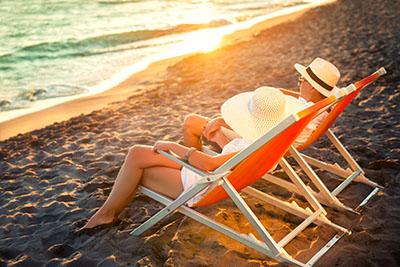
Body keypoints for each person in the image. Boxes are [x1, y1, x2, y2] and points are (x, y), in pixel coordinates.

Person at [78, 87, 303, 232]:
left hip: (203, 184)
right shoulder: (271, 138)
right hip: (214, 176)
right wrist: (217, 135)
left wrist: (174, 146)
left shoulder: (256, 142)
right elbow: (234, 157)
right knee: (139, 155)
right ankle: (106, 213)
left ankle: (106, 215)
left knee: (138, 160)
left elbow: (212, 164)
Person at [182, 57, 341, 151]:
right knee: (215, 120)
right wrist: (284, 92)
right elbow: (299, 99)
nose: (299, 84)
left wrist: (220, 122)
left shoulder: (300, 112)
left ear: (313, 88)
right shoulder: (322, 106)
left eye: (302, 80)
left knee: (191, 122)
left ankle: (194, 165)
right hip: (285, 142)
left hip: (263, 142)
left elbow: (262, 127)